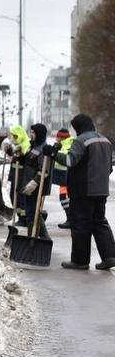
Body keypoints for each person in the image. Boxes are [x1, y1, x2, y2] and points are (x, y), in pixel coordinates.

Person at [61, 114, 115, 270]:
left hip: (83, 191)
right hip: (101, 190)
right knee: (99, 222)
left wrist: (53, 154)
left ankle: (80, 261)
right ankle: (110, 256)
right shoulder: (105, 140)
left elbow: (70, 161)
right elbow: (109, 168)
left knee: (80, 224)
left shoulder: (81, 140)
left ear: (79, 126)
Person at [11, 124, 51, 232]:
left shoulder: (43, 149)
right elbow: (28, 162)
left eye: (33, 132)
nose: (31, 134)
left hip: (35, 187)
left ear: (39, 134)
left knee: (32, 213)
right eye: (31, 132)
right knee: (31, 212)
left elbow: (44, 170)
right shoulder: (33, 146)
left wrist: (34, 183)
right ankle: (41, 236)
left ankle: (32, 236)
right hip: (28, 184)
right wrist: (19, 155)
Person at [50, 128, 73, 229]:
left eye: (58, 137)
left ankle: (71, 220)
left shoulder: (68, 146)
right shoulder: (61, 145)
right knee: (64, 199)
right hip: (62, 178)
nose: (56, 139)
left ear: (62, 137)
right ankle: (70, 219)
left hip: (68, 177)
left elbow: (65, 160)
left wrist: (55, 153)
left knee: (65, 198)